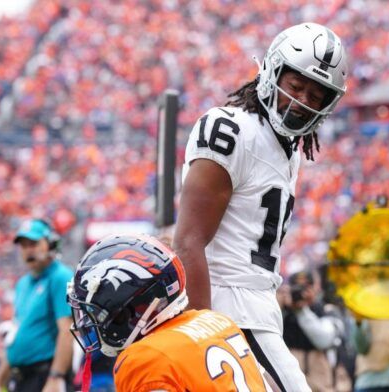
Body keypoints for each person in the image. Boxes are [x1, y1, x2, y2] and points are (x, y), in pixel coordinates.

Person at [173, 22, 349, 392]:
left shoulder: (289, 150)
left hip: (259, 308)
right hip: (229, 307)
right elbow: (189, 242)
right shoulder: (232, 129)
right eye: (296, 86)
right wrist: (205, 329)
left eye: (316, 96)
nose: (303, 101)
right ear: (271, 72)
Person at [66, 234, 276, 392]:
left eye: (96, 311)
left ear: (127, 310)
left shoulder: (143, 358)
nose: (91, 321)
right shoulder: (217, 321)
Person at [0, 219, 74, 392]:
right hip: (22, 378)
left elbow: (67, 331)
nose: (28, 250)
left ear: (50, 244)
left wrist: (55, 377)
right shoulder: (23, 284)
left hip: (44, 375)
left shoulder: (60, 276)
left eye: (34, 243)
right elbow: (17, 335)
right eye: (23, 245)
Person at [281, 270, 352, 392]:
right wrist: (280, 305)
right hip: (289, 379)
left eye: (307, 287)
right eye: (296, 288)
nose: (301, 292)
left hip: (320, 381)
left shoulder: (326, 310)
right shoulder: (284, 311)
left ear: (316, 287)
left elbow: (323, 340)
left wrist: (302, 311)